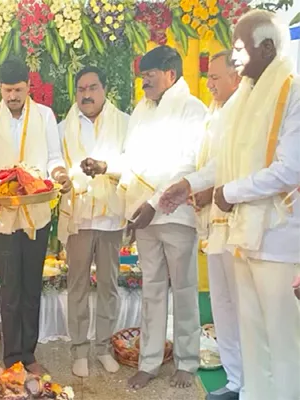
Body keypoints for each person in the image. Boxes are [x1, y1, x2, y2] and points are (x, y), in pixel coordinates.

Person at [159, 11, 300, 399]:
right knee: (253, 338)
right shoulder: (247, 99)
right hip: (246, 234)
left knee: (283, 344)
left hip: (278, 237)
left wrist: (228, 193)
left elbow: (290, 169)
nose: (235, 58)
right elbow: (223, 160)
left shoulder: (292, 90)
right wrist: (187, 184)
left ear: (267, 48)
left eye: (240, 48)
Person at [84, 46, 207, 390]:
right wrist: (107, 167)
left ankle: (187, 362)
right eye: (141, 77)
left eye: (149, 77)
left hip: (176, 215)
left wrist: (155, 202)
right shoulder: (141, 110)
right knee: (151, 290)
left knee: (183, 289)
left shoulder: (192, 110)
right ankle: (149, 361)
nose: (144, 84)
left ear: (171, 74)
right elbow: (133, 160)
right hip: (144, 216)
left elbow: (187, 166)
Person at [0, 58, 72, 374]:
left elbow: (54, 157)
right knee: (10, 287)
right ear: (0, 89)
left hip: (37, 213)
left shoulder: (44, 116)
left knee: (32, 285)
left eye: (18, 90)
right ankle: (10, 356)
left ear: (29, 87)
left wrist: (59, 174)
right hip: (3, 217)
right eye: (7, 90)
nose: (12, 96)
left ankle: (28, 355)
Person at [57, 66, 129, 378]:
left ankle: (103, 347)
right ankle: (79, 350)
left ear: (105, 90)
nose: (87, 94)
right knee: (77, 287)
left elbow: (133, 161)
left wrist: (106, 166)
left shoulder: (125, 123)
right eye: (81, 88)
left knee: (109, 286)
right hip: (79, 217)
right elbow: (54, 163)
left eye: (93, 87)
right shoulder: (62, 128)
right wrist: (59, 175)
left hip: (111, 217)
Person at [189, 51, 242, 400]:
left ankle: (254, 383)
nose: (209, 84)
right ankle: (235, 381)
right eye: (207, 78)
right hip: (215, 224)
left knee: (241, 305)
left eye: (216, 78)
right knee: (222, 304)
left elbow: (236, 164)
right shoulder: (214, 112)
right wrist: (197, 189)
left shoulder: (244, 112)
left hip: (239, 223)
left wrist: (202, 188)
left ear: (236, 78)